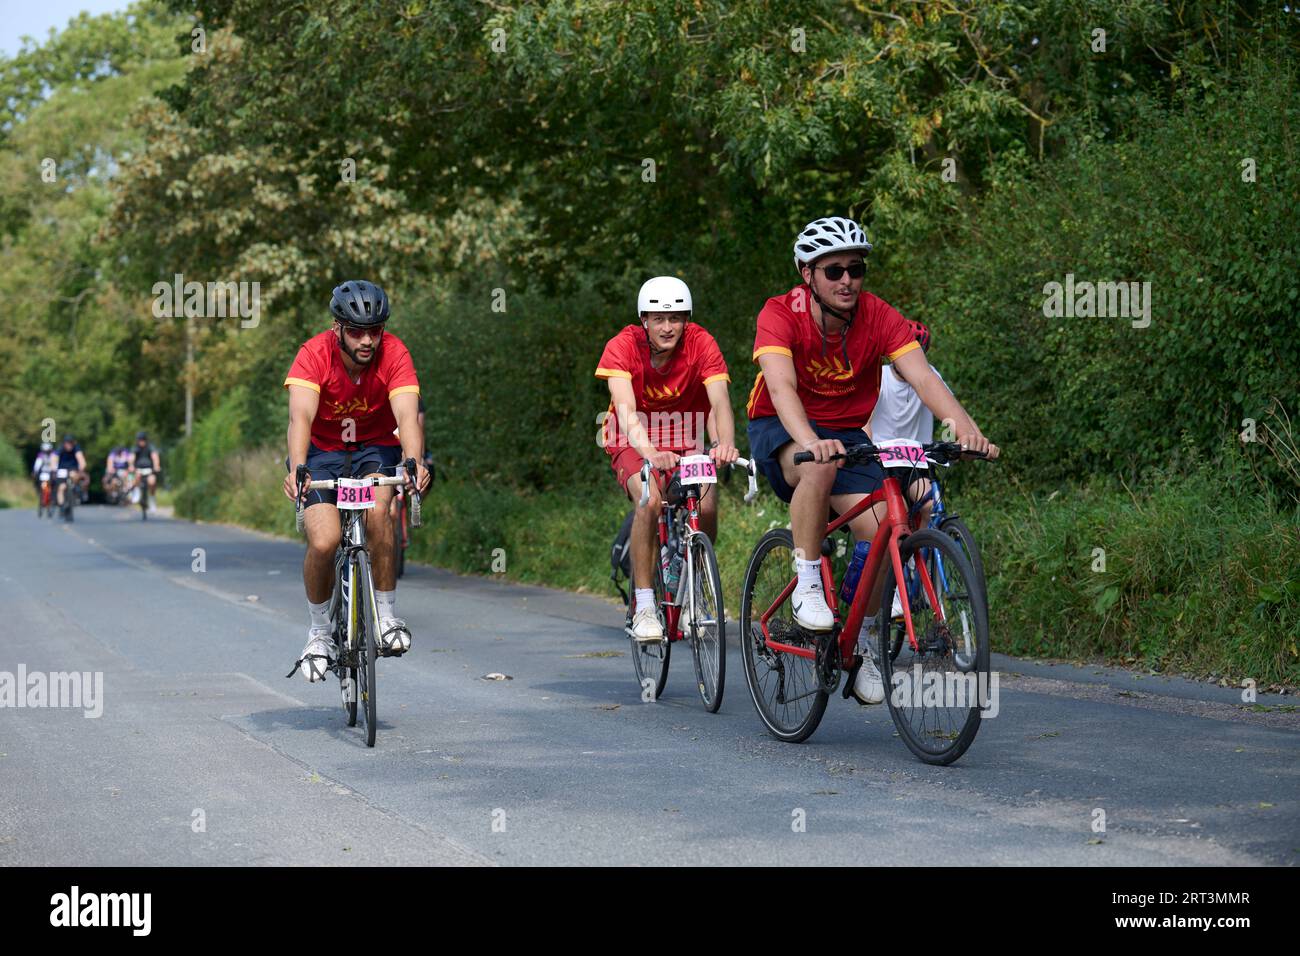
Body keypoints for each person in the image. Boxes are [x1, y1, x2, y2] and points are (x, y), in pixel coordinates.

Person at [746, 217, 998, 705]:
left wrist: (965, 428)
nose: (846, 281)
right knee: (818, 465)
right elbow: (781, 387)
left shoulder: (879, 316)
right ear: (808, 275)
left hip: (845, 432)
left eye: (855, 270)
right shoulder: (780, 313)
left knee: (885, 524)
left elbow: (924, 379)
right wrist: (808, 440)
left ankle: (861, 640)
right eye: (834, 270)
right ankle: (807, 581)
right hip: (781, 424)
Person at [281, 280, 430, 682]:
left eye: (375, 331)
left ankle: (385, 616)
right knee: (325, 540)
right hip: (322, 453)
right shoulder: (313, 354)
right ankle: (318, 633)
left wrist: (413, 461)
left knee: (379, 513)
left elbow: (407, 416)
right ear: (337, 328)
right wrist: (299, 467)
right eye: (356, 331)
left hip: (374, 448)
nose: (367, 340)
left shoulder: (395, 353)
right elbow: (300, 420)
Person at [595, 276, 738, 643]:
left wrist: (723, 442)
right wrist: (650, 453)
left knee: (705, 506)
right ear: (644, 319)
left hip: (686, 436)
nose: (667, 327)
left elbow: (718, 401)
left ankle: (695, 585)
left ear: (686, 320)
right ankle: (644, 604)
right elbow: (625, 411)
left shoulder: (701, 343)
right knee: (650, 499)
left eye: (675, 318)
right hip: (632, 438)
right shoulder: (622, 345)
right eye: (658, 318)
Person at [53, 434, 87, 518]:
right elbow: (54, 459)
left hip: (73, 469)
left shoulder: (76, 448)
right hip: (62, 469)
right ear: (64, 443)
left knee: (75, 476)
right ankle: (61, 506)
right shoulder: (60, 448)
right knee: (61, 488)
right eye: (67, 443)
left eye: (70, 443)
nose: (69, 445)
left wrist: (81, 468)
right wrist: (54, 468)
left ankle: (76, 490)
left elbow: (81, 460)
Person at [128, 433, 161, 510]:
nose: (141, 442)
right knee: (137, 476)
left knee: (152, 482)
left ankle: (152, 500)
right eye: (140, 440)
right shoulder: (135, 448)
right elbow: (132, 458)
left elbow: (155, 457)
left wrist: (156, 466)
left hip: (149, 470)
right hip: (138, 470)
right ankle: (137, 492)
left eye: (142, 440)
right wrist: (131, 465)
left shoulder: (150, 447)